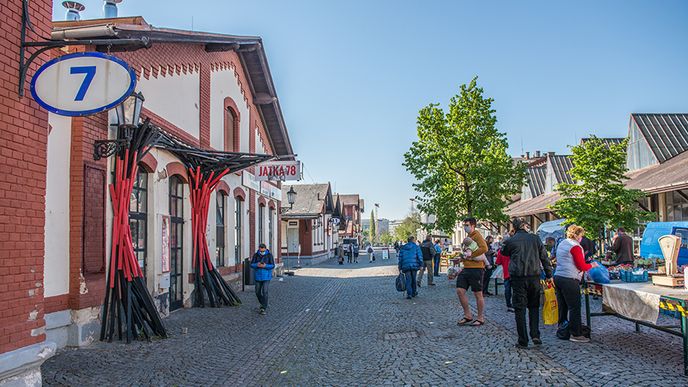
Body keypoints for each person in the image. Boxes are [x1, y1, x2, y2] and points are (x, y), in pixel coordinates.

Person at [502, 218, 553, 349]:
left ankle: (523, 339)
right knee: (534, 306)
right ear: (524, 226)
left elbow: (503, 252)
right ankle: (535, 334)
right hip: (534, 276)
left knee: (520, 308)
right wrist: (549, 275)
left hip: (518, 277)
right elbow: (544, 257)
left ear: (514, 228)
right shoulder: (535, 239)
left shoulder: (510, 241)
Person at [553, 225, 598, 343]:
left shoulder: (562, 243)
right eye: (581, 236)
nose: (582, 238)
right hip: (569, 278)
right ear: (576, 235)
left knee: (563, 305)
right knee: (574, 306)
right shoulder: (575, 247)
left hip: (559, 276)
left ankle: (562, 328)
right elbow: (581, 266)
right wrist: (592, 265)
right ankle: (575, 333)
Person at [456, 217, 488, 327]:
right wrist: (462, 258)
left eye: (467, 225)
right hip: (466, 268)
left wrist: (471, 256)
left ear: (473, 225)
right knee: (460, 290)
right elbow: (467, 252)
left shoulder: (477, 235)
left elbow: (484, 248)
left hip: (476, 268)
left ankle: (480, 318)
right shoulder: (468, 237)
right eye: (464, 225)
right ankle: (468, 315)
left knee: (478, 294)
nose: (465, 227)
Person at [250, 243, 275, 315]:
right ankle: (263, 303)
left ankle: (263, 307)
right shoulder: (255, 255)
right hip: (258, 276)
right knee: (257, 292)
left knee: (265, 291)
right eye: (260, 251)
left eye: (262, 251)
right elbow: (252, 264)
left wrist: (265, 266)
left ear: (265, 249)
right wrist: (257, 265)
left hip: (266, 276)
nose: (261, 252)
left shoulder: (269, 255)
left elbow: (273, 265)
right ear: (259, 249)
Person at [495, 244, 513, 312]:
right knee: (516, 290)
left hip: (506, 273)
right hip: (515, 273)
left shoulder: (501, 251)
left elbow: (498, 262)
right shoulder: (514, 250)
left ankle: (508, 304)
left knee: (507, 290)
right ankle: (515, 304)